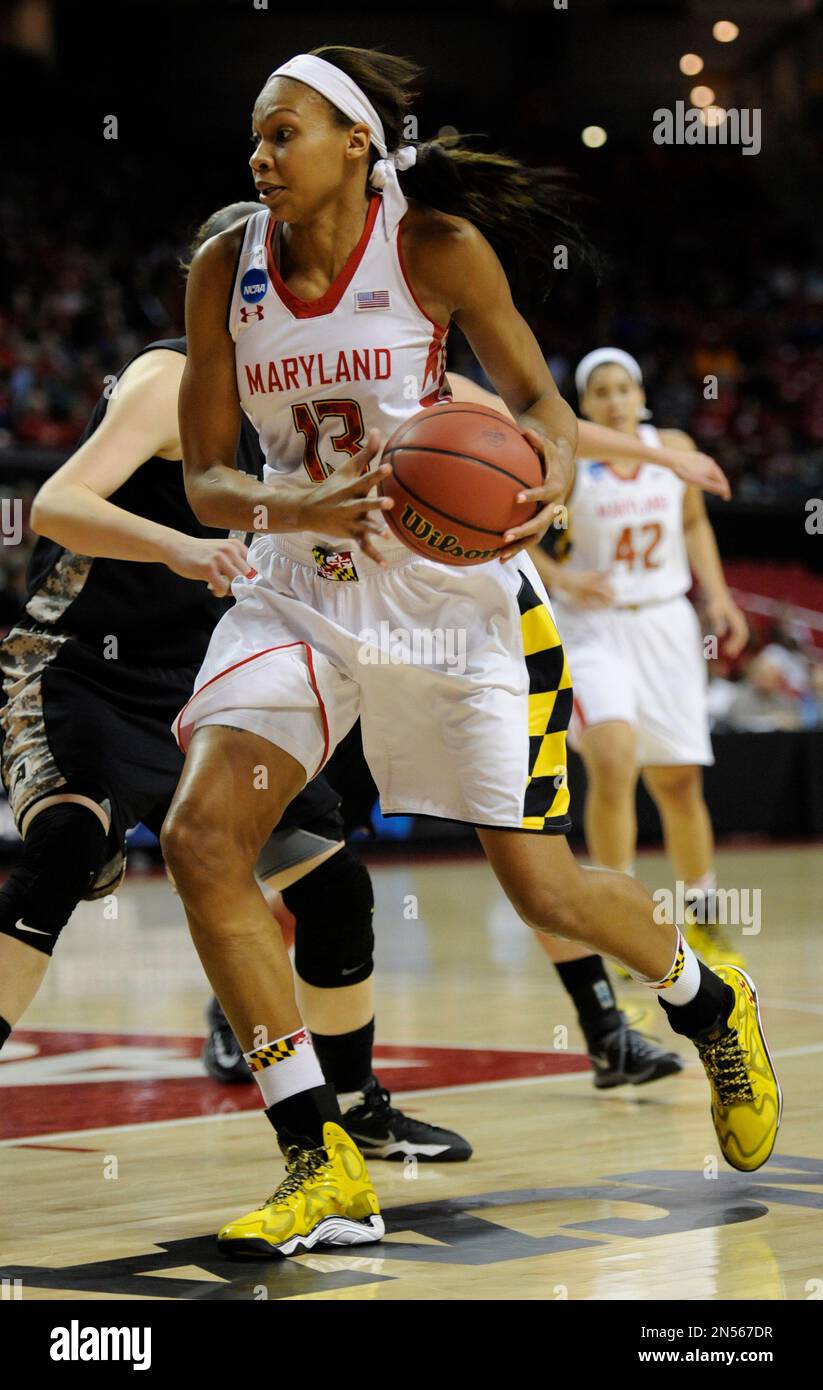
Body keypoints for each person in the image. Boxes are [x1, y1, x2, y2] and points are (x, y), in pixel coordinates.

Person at [163, 46, 781, 1258]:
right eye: (253, 135)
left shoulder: (432, 246)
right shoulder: (221, 269)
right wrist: (291, 508)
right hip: (303, 585)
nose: (259, 155)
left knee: (541, 884)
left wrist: (546, 479)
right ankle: (318, 1154)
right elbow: (204, 478)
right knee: (199, 838)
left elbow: (542, 410)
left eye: (282, 132)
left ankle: (708, 1002)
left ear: (355, 143)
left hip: (450, 597)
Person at [0, 201, 470, 1171]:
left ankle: (354, 1103)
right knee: (65, 846)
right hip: (79, 660)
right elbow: (58, 502)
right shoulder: (169, 375)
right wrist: (184, 547)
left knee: (333, 885)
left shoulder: (295, 405)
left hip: (203, 672)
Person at [522, 349, 749, 968]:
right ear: (583, 404)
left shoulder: (670, 445)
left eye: (625, 388)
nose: (616, 400)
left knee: (677, 781)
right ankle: (616, 920)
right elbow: (517, 532)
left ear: (641, 393)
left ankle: (700, 914)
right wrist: (564, 582)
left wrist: (720, 598)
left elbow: (696, 524)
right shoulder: (571, 459)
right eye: (602, 392)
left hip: (667, 622)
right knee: (615, 756)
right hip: (593, 629)